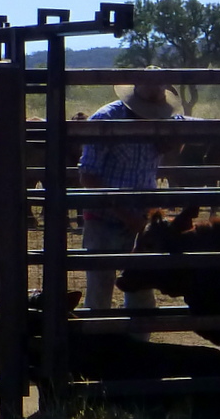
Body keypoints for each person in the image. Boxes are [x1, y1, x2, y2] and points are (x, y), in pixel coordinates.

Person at [78, 68, 184, 316]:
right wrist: (127, 215)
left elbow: (182, 134)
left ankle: (138, 348)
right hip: (105, 218)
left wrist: (173, 141)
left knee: (140, 287)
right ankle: (96, 347)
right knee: (100, 289)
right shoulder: (106, 120)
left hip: (142, 218)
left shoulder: (166, 118)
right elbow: (88, 176)